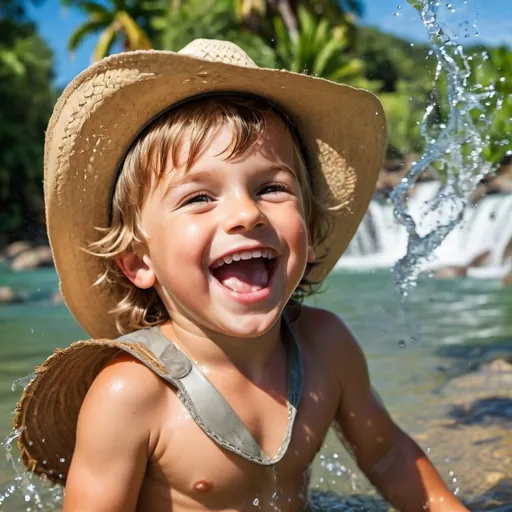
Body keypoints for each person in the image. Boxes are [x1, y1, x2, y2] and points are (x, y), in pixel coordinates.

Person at [15, 39, 467, 512]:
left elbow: (389, 455)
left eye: (271, 188)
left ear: (310, 234)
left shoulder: (325, 347)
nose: (246, 213)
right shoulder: (133, 393)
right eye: (199, 197)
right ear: (138, 263)